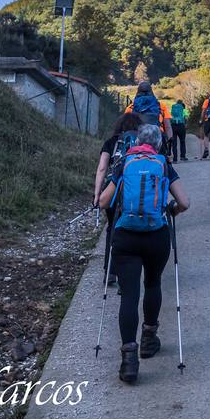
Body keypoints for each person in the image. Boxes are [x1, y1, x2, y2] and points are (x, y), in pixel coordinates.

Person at [95, 121, 190, 383]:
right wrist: (171, 209)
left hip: (126, 236)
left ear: (136, 142)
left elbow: (103, 201)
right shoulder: (163, 163)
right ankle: (149, 338)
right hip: (156, 235)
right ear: (159, 144)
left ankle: (128, 359)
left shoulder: (125, 162)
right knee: (153, 283)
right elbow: (185, 202)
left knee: (129, 295)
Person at [95, 111, 146, 287]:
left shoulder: (111, 142)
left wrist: (97, 195)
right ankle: (127, 276)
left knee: (112, 228)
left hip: (113, 188)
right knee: (129, 229)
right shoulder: (142, 141)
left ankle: (110, 272)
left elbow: (102, 168)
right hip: (134, 190)